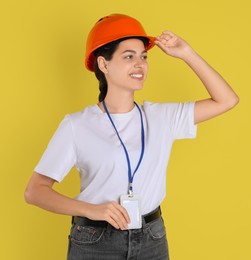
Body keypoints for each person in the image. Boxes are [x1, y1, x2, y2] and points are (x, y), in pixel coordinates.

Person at [24, 14, 239, 260]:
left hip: (152, 237)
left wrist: (187, 53)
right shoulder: (77, 125)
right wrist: (92, 210)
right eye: (129, 56)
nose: (140, 64)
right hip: (96, 240)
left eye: (143, 56)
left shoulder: (160, 117)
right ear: (104, 65)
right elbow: (35, 191)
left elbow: (227, 100)